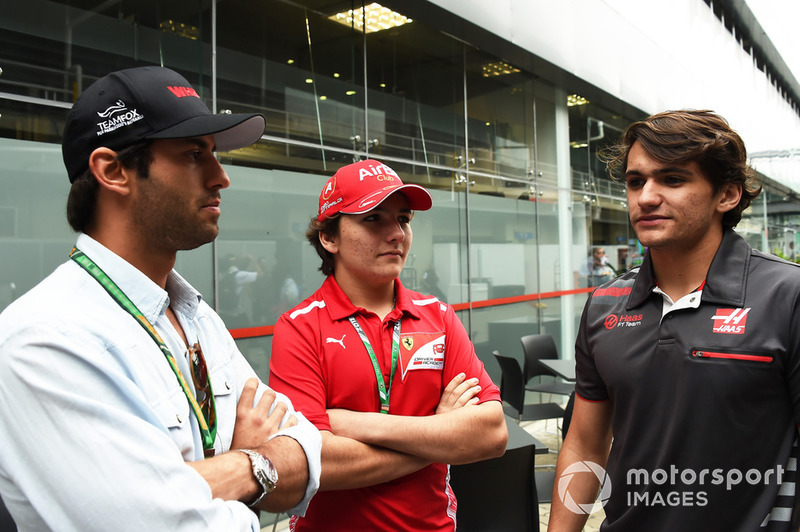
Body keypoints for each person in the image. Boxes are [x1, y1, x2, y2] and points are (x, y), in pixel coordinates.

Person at [0, 66, 321, 531]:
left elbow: (307, 451)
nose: (220, 178)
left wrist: (237, 468)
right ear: (112, 171)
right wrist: (261, 465)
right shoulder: (45, 341)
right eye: (194, 154)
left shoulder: (195, 316)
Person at [548, 110, 800, 531]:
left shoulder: (786, 295)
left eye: (673, 179)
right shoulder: (604, 304)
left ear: (727, 195)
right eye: (635, 181)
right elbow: (585, 444)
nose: (646, 197)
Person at [268, 159, 508, 531]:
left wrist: (357, 425)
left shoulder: (439, 317)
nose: (397, 233)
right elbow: (315, 462)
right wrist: (438, 433)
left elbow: (492, 434)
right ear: (329, 238)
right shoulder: (301, 328)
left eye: (404, 219)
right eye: (373, 218)